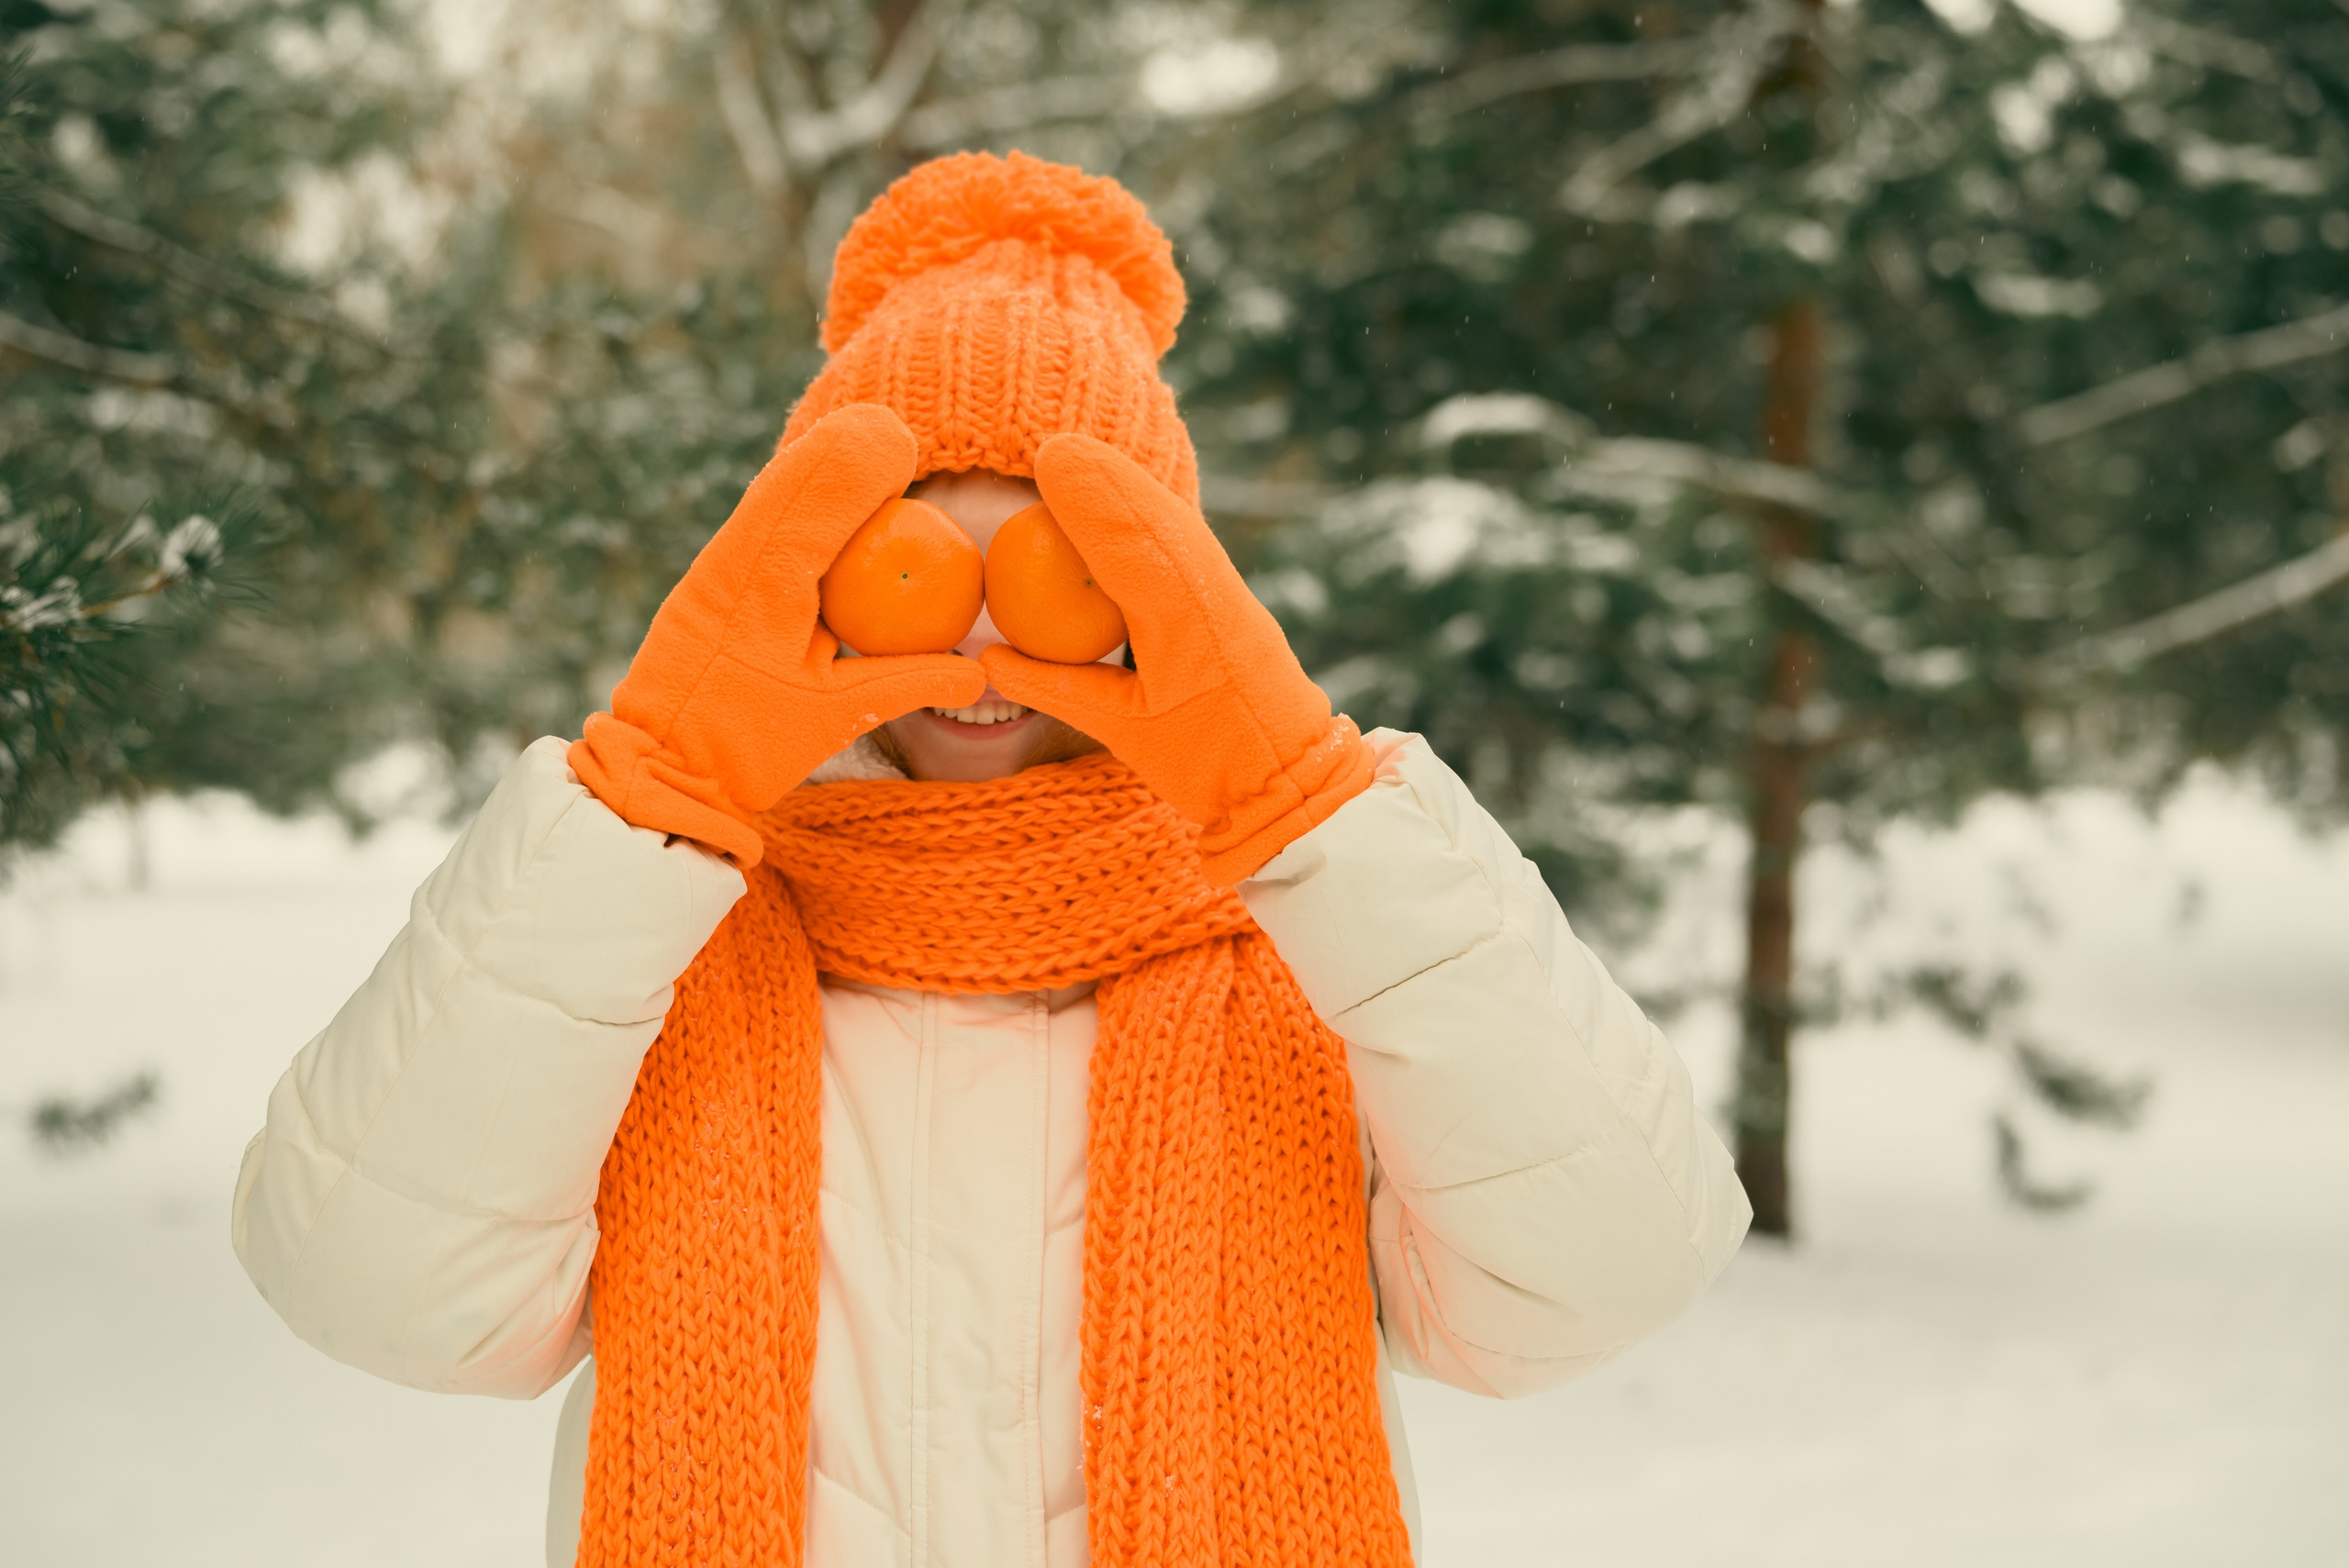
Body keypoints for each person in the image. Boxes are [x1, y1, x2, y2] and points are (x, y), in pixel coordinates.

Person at [231, 150, 1749, 1568]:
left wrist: (1314, 809)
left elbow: (1597, 1276)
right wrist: (644, 805)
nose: (975, 655)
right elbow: (375, 1291)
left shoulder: (1308, 930)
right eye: (916, 565)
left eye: (1052, 569)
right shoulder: (656, 920)